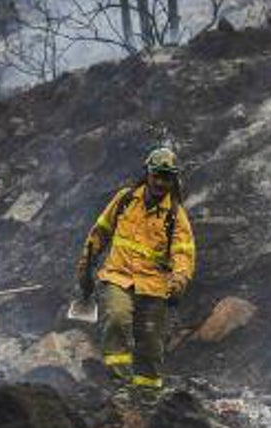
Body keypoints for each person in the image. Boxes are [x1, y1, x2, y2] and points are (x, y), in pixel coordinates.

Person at [76, 147, 196, 391]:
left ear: (173, 180)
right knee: (118, 319)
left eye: (166, 177)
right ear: (148, 174)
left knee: (151, 344)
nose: (161, 182)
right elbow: (100, 231)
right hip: (118, 276)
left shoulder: (175, 215)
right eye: (157, 175)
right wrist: (85, 265)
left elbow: (183, 253)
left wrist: (179, 281)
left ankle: (147, 396)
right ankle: (119, 383)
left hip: (153, 286)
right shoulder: (125, 200)